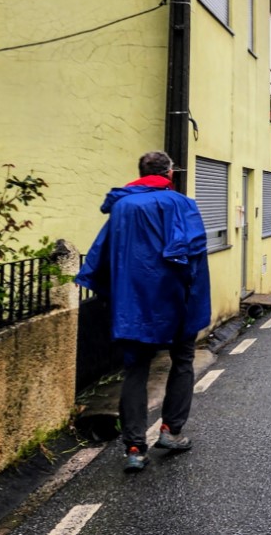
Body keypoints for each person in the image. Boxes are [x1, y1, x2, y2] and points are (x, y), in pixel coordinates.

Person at [76, 151, 211, 472]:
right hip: (174, 302)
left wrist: (115, 298)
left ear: (140, 173)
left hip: (134, 305)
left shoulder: (121, 207)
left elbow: (102, 257)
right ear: (169, 175)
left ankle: (135, 447)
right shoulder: (180, 203)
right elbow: (193, 255)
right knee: (182, 361)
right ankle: (171, 431)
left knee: (135, 370)